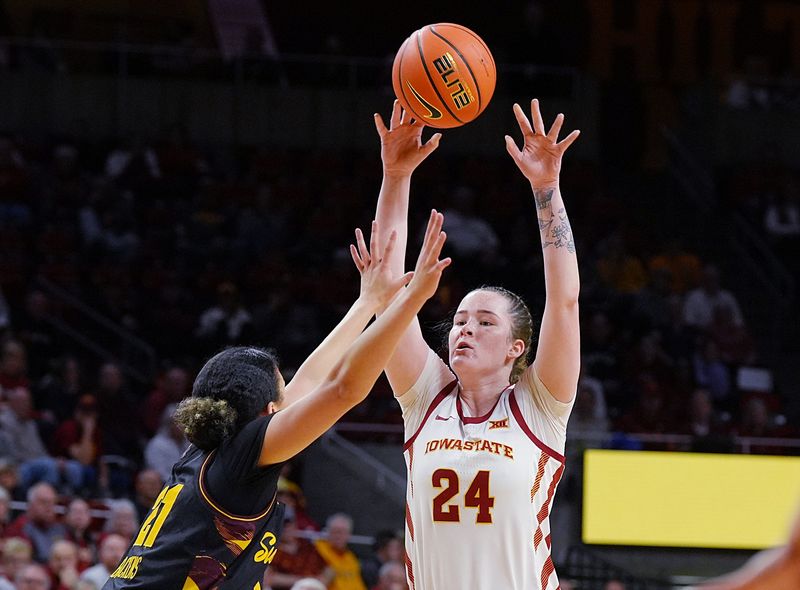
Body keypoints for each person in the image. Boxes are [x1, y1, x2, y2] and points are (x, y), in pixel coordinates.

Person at [103, 211, 451, 589]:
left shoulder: (211, 450)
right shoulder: (243, 455)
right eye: (281, 391)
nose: (292, 396)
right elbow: (341, 390)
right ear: (268, 412)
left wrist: (367, 303)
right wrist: (408, 303)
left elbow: (310, 381)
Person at [372, 98, 580, 589]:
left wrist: (546, 189)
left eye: (485, 322)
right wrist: (396, 176)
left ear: (515, 348)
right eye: (461, 319)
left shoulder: (539, 406)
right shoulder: (425, 397)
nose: (465, 328)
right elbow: (385, 293)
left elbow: (565, 300)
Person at [313, 513, 366, 590]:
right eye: (335, 531)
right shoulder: (317, 550)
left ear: (349, 535)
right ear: (328, 532)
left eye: (342, 532)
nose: (338, 536)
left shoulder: (351, 558)